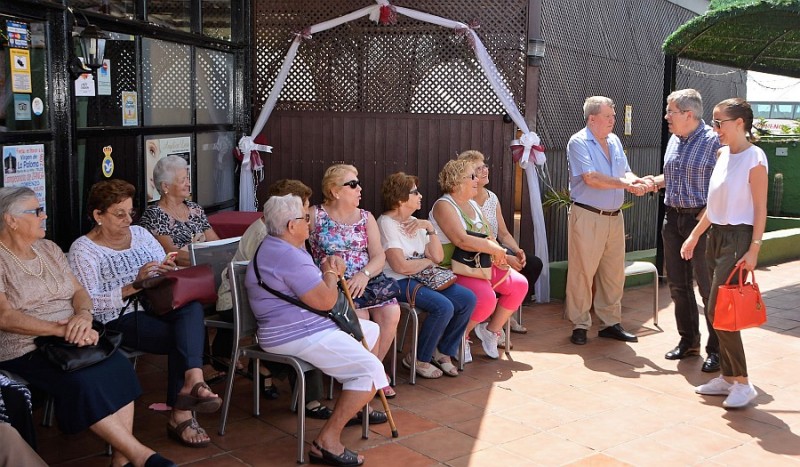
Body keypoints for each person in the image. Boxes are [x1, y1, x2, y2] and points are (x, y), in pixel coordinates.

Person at [0, 186, 176, 467]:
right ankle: (141, 456)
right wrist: (59, 330)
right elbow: (5, 317)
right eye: (36, 211)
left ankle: (121, 459)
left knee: (117, 366)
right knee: (82, 381)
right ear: (10, 220)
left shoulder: (48, 248)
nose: (44, 215)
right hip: (26, 345)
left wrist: (82, 316)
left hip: (73, 333)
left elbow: (79, 292)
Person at [68, 180, 222, 449]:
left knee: (191, 308)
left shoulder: (139, 234)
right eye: (120, 214)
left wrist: (166, 271)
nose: (128, 220)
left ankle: (193, 380)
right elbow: (88, 302)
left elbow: (163, 267)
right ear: (97, 215)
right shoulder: (83, 250)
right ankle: (182, 410)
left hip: (157, 304)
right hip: (117, 318)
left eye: (131, 212)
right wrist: (134, 285)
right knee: (183, 336)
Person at [247, 194, 388, 466]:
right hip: (295, 332)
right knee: (371, 370)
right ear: (291, 225)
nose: (309, 222)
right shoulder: (287, 254)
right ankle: (327, 442)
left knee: (369, 332)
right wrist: (331, 272)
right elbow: (326, 301)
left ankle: (355, 400)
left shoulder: (282, 246)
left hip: (299, 327)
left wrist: (326, 270)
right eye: (304, 217)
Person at [214, 179, 333, 419]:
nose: (307, 215)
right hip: (237, 303)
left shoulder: (284, 232)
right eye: (304, 209)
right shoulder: (267, 236)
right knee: (303, 324)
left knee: (305, 318)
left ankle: (268, 368)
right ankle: (308, 399)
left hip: (261, 300)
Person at [681, 98, 768, 409]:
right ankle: (729, 378)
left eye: (720, 123)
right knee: (714, 307)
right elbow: (714, 205)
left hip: (739, 238)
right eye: (714, 122)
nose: (715, 128)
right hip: (716, 235)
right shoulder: (721, 154)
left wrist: (754, 248)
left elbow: (761, 208)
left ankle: (742, 382)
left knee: (722, 309)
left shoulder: (755, 158)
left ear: (740, 124)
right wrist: (694, 235)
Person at [642, 89, 721, 372]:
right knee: (678, 286)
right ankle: (688, 341)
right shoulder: (675, 140)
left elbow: (726, 182)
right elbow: (677, 175)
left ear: (689, 114)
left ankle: (718, 350)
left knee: (709, 289)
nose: (666, 117)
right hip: (672, 220)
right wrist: (653, 182)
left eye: (670, 111)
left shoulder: (714, 141)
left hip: (701, 223)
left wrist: (708, 212)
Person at [308, 164, 400, 398]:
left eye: (358, 183)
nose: (360, 188)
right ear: (335, 191)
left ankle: (373, 372)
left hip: (367, 279)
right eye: (353, 184)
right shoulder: (314, 215)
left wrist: (364, 275)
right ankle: (365, 376)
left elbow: (379, 255)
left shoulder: (366, 218)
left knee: (391, 313)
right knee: (362, 319)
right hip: (335, 284)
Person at [565, 95, 647, 346]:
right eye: (608, 116)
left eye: (613, 116)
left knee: (613, 273)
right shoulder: (578, 142)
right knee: (582, 273)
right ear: (592, 119)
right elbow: (591, 178)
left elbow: (625, 171)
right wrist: (625, 183)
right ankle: (579, 324)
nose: (613, 121)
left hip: (614, 217)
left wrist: (635, 181)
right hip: (588, 215)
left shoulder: (614, 141)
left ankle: (610, 323)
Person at [429, 159, 528, 361]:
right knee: (485, 298)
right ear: (457, 181)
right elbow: (461, 240)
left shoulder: (474, 204)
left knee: (519, 284)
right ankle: (460, 336)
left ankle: (490, 331)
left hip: (477, 265)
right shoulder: (443, 205)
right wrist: (495, 249)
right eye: (472, 176)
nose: (477, 180)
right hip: (453, 267)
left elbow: (490, 237)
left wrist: (504, 256)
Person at [378, 172, 474, 378]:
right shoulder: (386, 223)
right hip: (397, 281)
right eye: (415, 192)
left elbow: (437, 257)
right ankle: (419, 358)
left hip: (422, 277)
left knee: (467, 299)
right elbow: (400, 266)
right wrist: (426, 262)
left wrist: (430, 228)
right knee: (444, 306)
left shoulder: (416, 221)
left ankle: (443, 351)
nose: (420, 195)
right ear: (400, 198)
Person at [458, 149, 544, 334]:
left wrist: (517, 249)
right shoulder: (463, 200)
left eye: (485, 166)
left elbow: (503, 233)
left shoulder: (492, 197)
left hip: (498, 246)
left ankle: (504, 312)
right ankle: (494, 314)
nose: (485, 170)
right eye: (479, 168)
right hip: (480, 252)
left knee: (532, 263)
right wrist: (504, 254)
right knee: (508, 265)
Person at [138, 155, 220, 267]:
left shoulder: (195, 209)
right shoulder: (154, 215)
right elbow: (170, 252)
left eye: (188, 178)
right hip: (180, 273)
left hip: (206, 266)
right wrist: (206, 260)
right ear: (165, 186)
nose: (189, 184)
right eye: (183, 180)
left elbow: (215, 241)